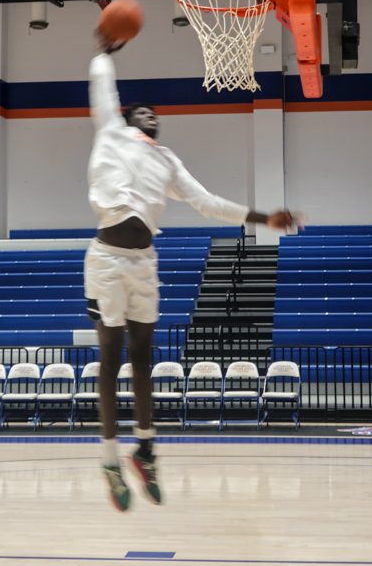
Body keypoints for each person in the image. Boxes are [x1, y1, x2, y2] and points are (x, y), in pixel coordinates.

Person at [84, 34, 304, 512]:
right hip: (106, 261)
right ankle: (106, 459)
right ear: (127, 117)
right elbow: (103, 89)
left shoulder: (167, 161)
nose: (153, 116)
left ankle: (145, 448)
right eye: (144, 111)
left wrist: (263, 218)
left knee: (142, 357)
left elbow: (207, 203)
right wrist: (102, 52)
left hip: (144, 263)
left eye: (156, 114)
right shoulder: (110, 132)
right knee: (110, 357)